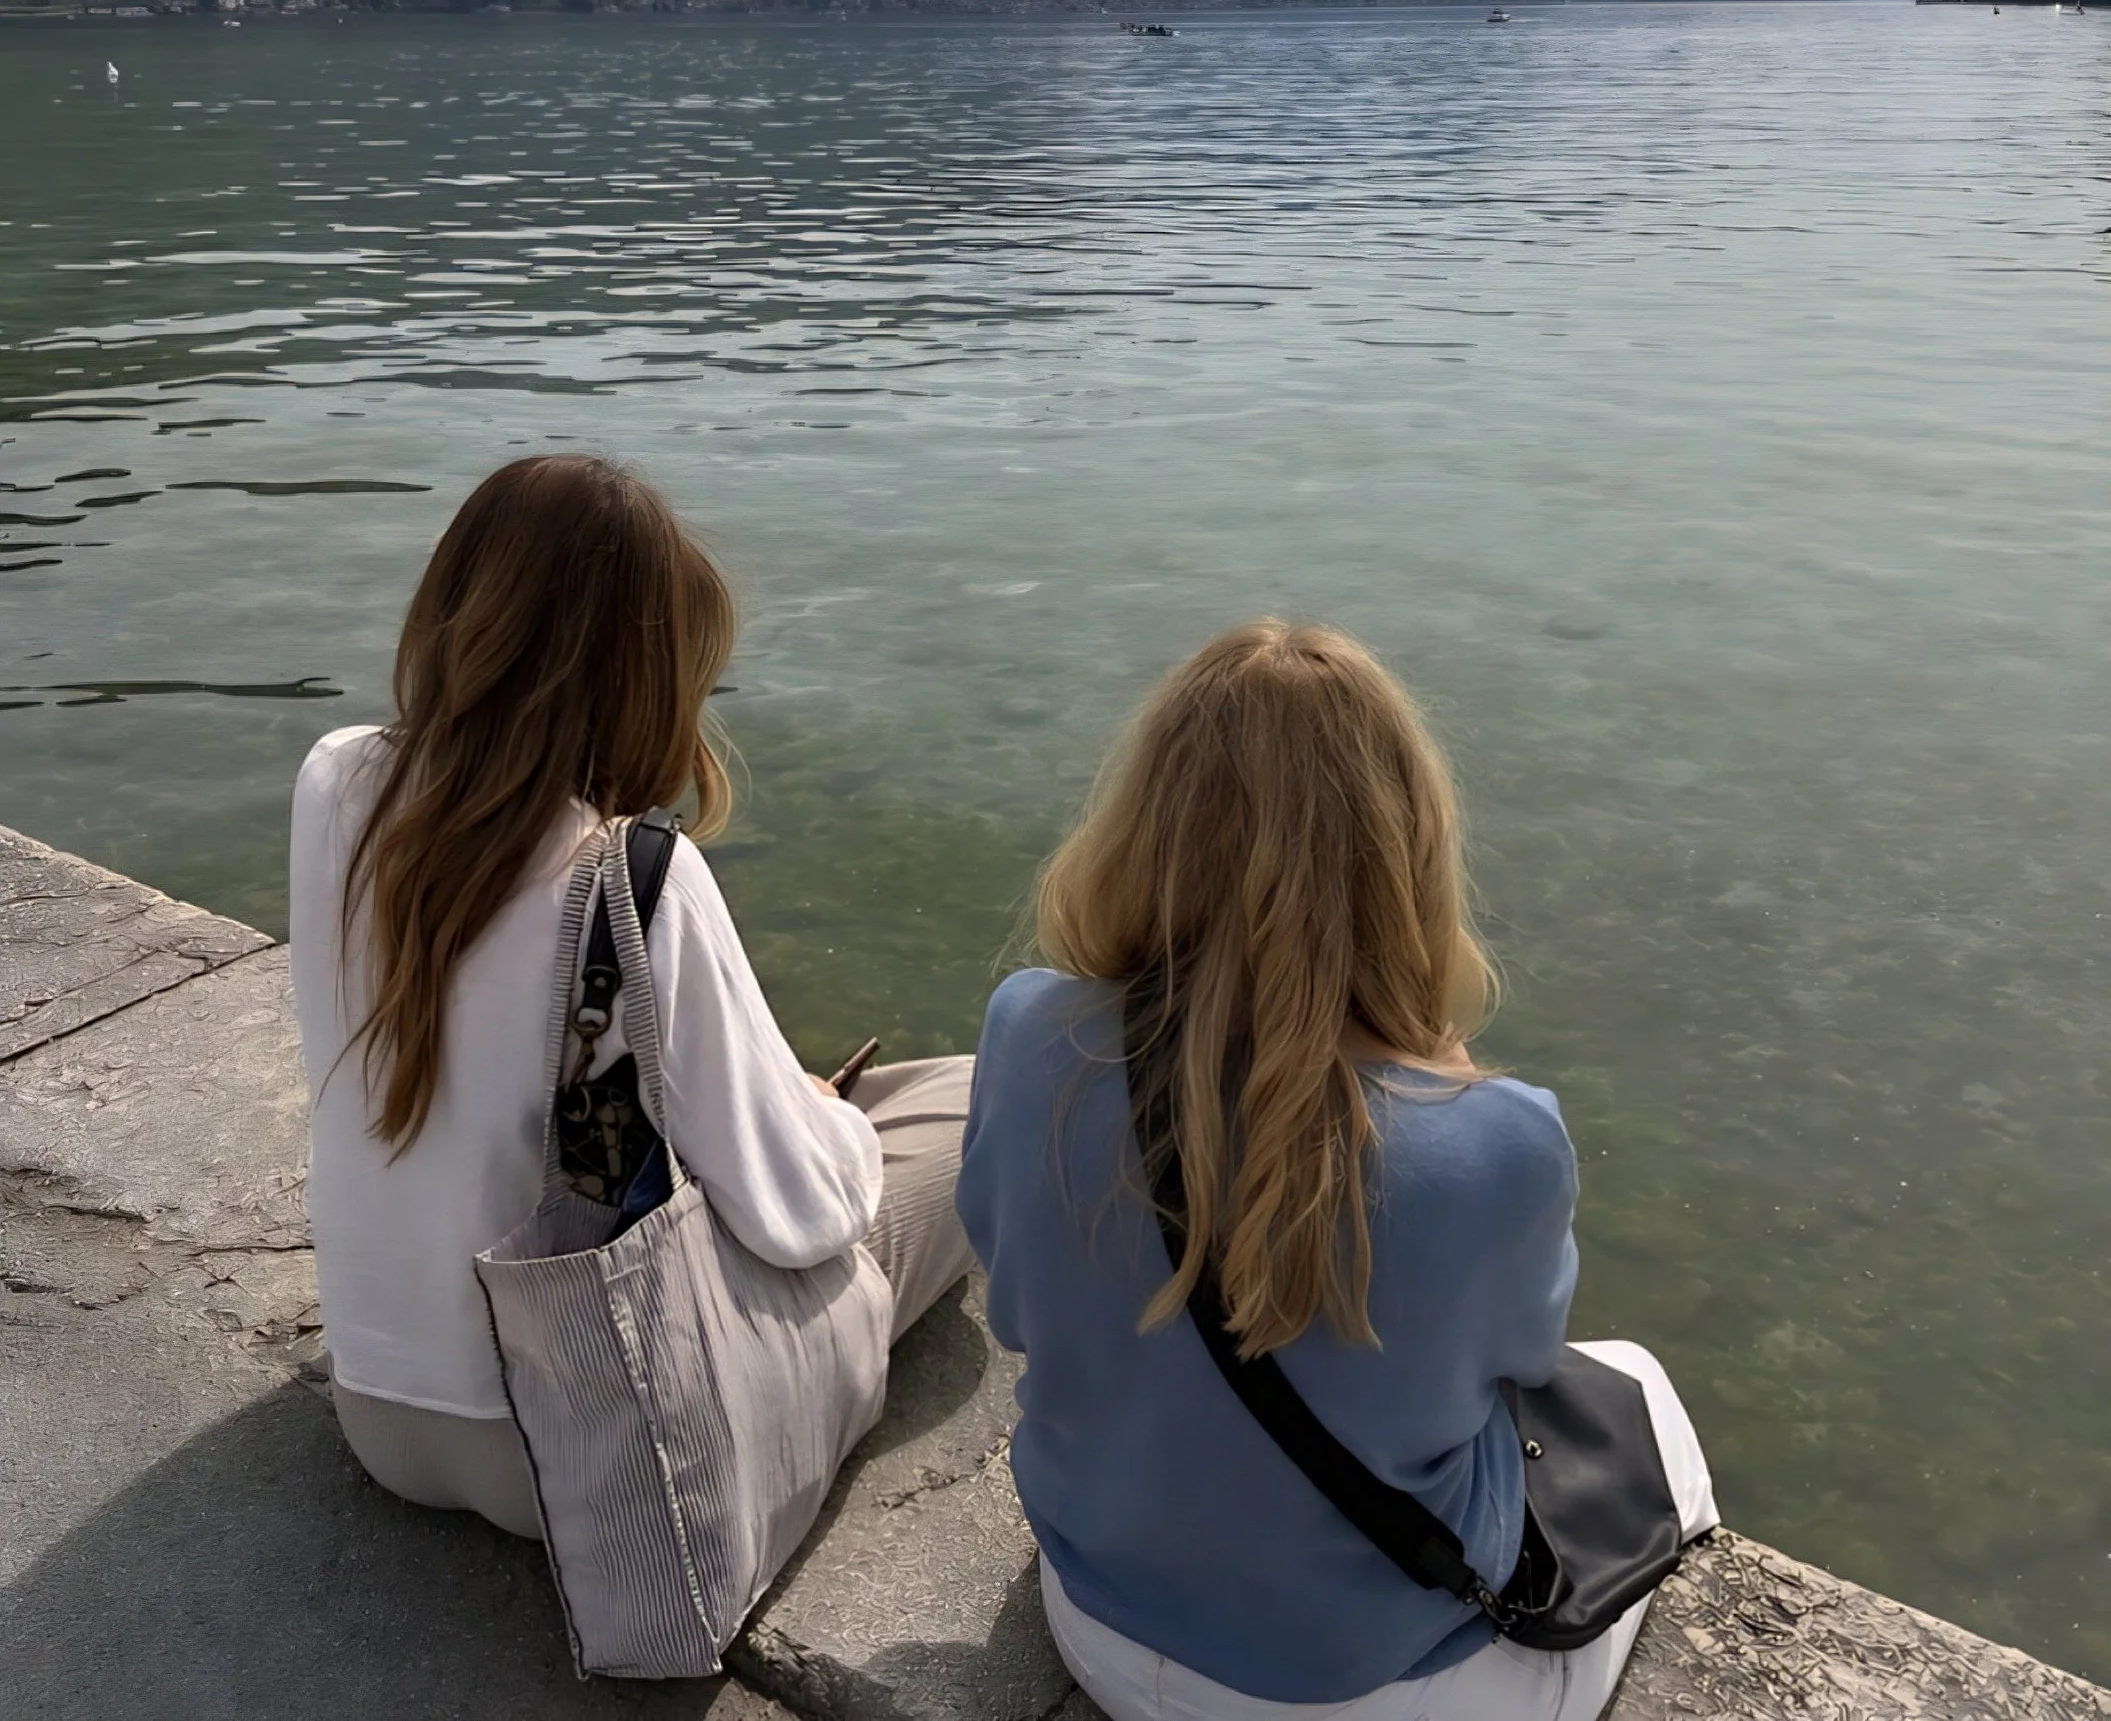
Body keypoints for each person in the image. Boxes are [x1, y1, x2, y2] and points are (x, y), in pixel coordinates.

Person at [958, 620, 1716, 1721]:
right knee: (1639, 1385)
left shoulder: (1028, 1029)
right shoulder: (1497, 1139)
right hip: (1372, 1690)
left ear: (1144, 824)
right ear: (1402, 846)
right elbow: (1521, 1355)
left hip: (1099, 1618)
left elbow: (1017, 1307)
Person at [290, 453, 975, 1538]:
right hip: (578, 1457)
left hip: (382, 1415)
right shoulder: (628, 878)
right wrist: (828, 1116)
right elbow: (805, 1216)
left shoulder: (336, 780)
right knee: (967, 1103)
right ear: (638, 673)